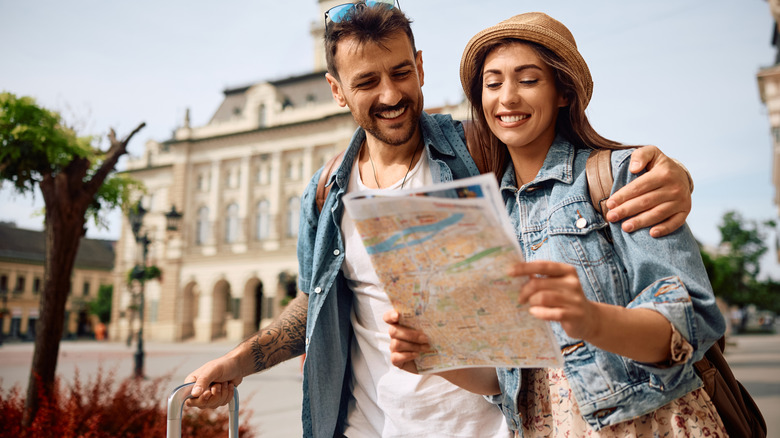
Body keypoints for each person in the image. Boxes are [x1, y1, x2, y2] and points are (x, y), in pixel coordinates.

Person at [184, 3, 695, 437]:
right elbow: (317, 302)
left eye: (401, 73)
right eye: (366, 82)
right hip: (368, 424)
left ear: (421, 67)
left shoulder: (479, 148)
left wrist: (674, 176)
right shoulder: (324, 192)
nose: (390, 95)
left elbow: (566, 163)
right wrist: (241, 359)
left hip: (485, 424)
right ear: (337, 91)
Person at [386, 12, 727, 437]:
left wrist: (589, 319)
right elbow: (506, 376)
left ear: (563, 92)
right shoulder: (490, 217)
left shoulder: (622, 176)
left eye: (528, 80)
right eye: (492, 84)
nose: (506, 98)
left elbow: (693, 324)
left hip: (645, 423)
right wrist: (435, 356)